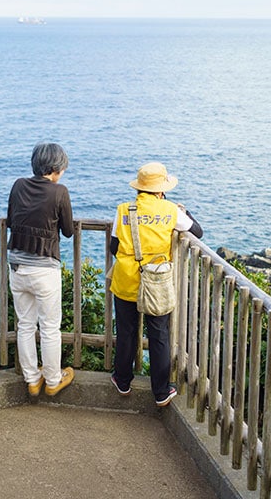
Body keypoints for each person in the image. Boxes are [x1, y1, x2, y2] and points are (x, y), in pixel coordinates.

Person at [109, 162, 203, 406]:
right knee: (159, 334)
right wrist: (185, 211)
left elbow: (113, 247)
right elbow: (198, 232)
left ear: (140, 188)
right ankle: (161, 392)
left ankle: (122, 380)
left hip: (127, 278)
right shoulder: (171, 210)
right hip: (156, 281)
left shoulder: (123, 210)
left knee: (127, 332)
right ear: (161, 190)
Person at [6, 143, 75, 397]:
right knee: (49, 328)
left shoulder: (18, 185)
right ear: (55, 169)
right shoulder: (59, 192)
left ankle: (32, 380)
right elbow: (67, 231)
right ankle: (53, 380)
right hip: (44, 269)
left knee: (25, 325)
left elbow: (12, 220)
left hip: (17, 266)